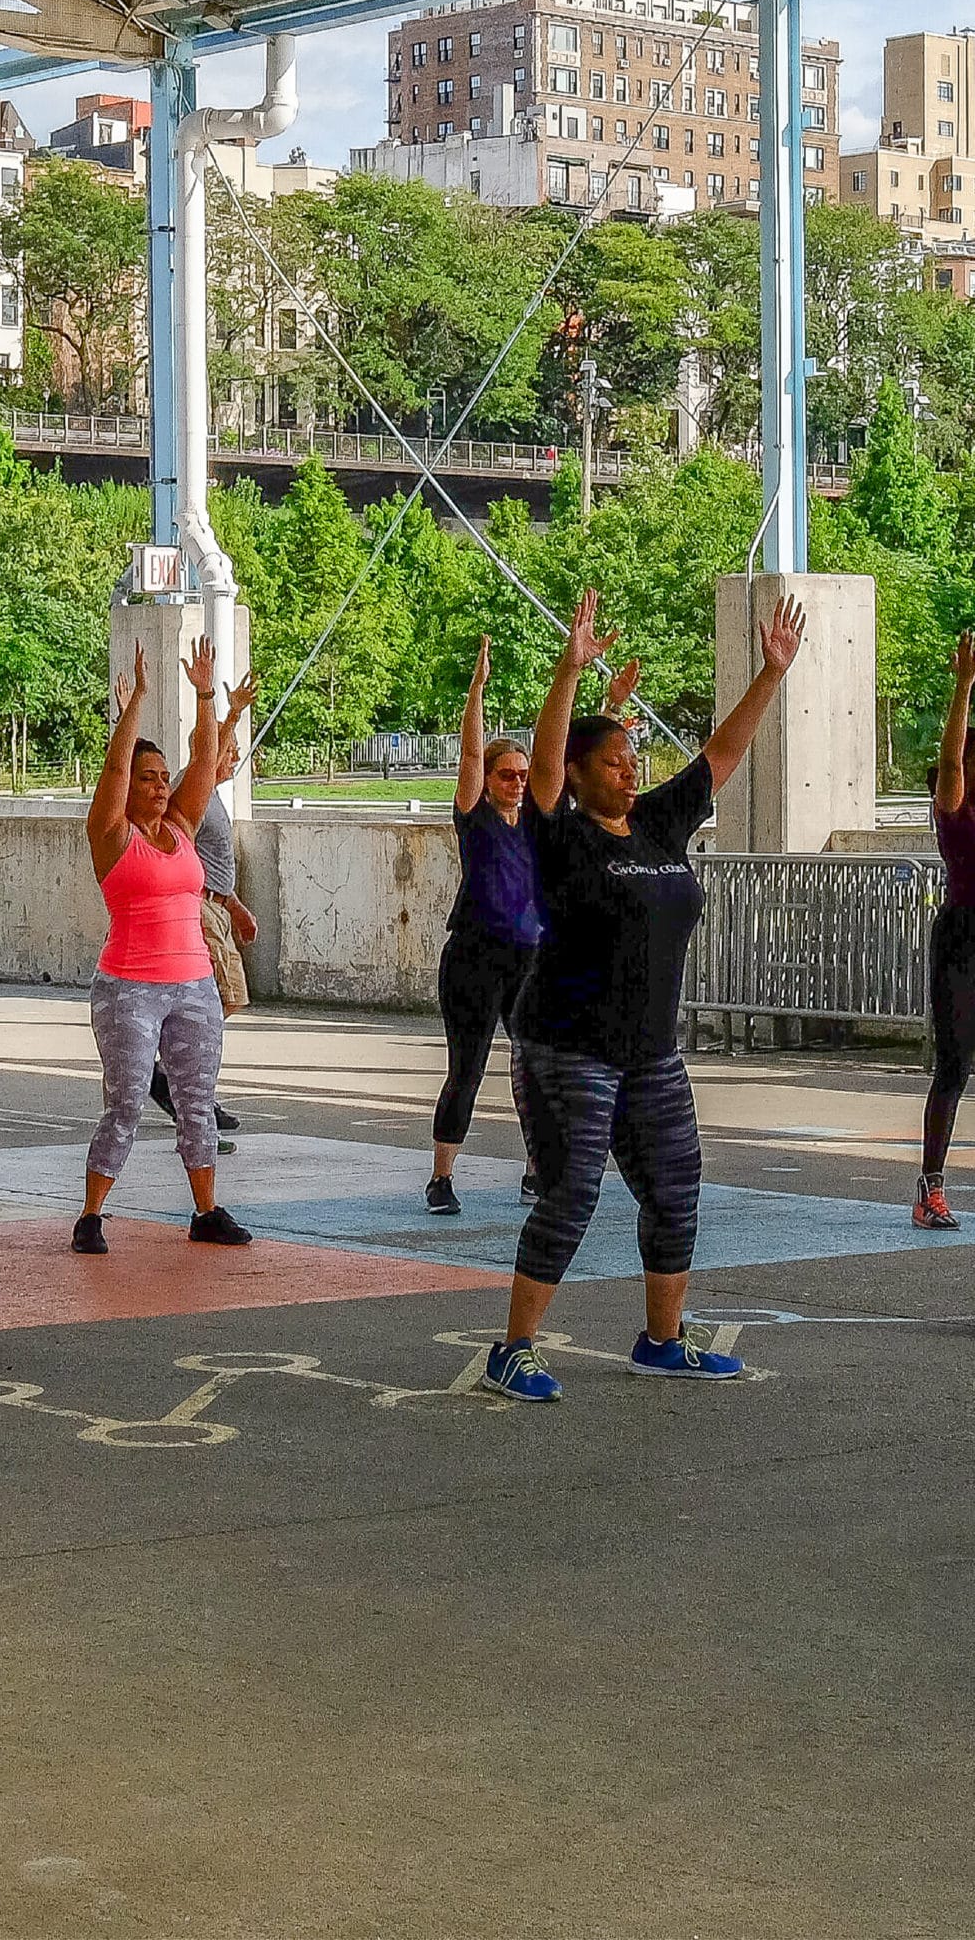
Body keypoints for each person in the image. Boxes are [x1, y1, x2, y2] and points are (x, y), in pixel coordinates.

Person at [481, 587, 805, 1403]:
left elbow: (722, 757)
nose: (632, 768)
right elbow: (546, 765)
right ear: (582, 776)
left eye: (634, 759)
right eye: (614, 761)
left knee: (675, 1183)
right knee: (574, 1190)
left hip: (651, 1054)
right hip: (567, 1046)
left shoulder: (658, 823)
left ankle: (663, 1341)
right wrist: (569, 669)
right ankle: (513, 1348)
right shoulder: (561, 837)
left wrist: (770, 673)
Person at [423, 635, 633, 1213]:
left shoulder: (541, 823)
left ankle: (536, 1169)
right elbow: (469, 757)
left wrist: (609, 708)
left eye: (520, 774)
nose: (517, 782)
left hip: (530, 961)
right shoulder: (474, 819)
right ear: (489, 781)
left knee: (538, 1069)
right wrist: (476, 692)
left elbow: (572, 760)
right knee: (465, 1069)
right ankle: (442, 1177)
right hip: (473, 958)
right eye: (506, 774)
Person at [75, 639, 250, 1256]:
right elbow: (115, 771)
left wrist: (206, 695)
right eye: (145, 778)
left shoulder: (180, 826)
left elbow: (205, 760)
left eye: (159, 778)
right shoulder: (111, 833)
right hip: (127, 987)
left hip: (194, 985)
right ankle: (92, 1216)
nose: (154, 785)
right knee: (124, 1103)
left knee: (195, 1104)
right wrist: (136, 708)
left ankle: (206, 1211)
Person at [149, 675, 257, 1143]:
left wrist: (234, 906)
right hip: (199, 912)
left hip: (215, 907)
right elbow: (207, 750)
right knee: (208, 1007)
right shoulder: (192, 794)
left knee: (220, 1004)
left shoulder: (213, 800)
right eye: (226, 750)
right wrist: (226, 713)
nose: (232, 757)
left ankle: (186, 1088)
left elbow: (209, 863)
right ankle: (186, 1091)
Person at [916, 628, 975, 1228]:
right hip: (963, 940)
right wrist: (963, 685)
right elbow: (953, 758)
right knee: (954, 1067)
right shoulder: (956, 814)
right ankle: (930, 1185)